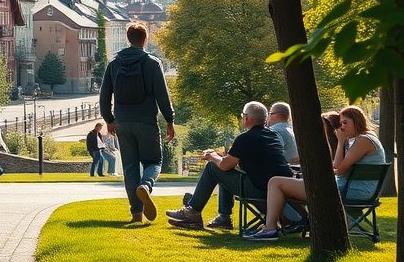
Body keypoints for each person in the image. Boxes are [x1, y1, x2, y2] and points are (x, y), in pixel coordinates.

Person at [247, 105, 386, 242]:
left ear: (356, 121)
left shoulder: (364, 141)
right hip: (351, 189)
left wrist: (341, 141)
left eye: (345, 123)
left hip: (349, 191)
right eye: (341, 123)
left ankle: (271, 228)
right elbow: (338, 166)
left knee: (275, 182)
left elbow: (340, 169)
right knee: (282, 182)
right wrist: (341, 142)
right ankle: (295, 223)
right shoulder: (363, 139)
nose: (341, 127)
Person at [165, 101, 291, 230]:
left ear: (247, 117)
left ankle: (193, 212)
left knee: (213, 167)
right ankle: (222, 217)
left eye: (243, 115)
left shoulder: (245, 138)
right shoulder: (273, 136)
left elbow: (225, 165)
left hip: (259, 192)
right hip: (279, 192)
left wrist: (213, 156)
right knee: (224, 170)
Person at [99, 22, 175, 223]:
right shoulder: (152, 63)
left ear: (128, 39)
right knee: (154, 161)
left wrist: (109, 120)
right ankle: (146, 185)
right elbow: (162, 95)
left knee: (130, 167)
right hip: (146, 121)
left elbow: (104, 94)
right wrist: (170, 120)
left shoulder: (115, 63)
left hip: (122, 122)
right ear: (145, 39)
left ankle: (136, 215)